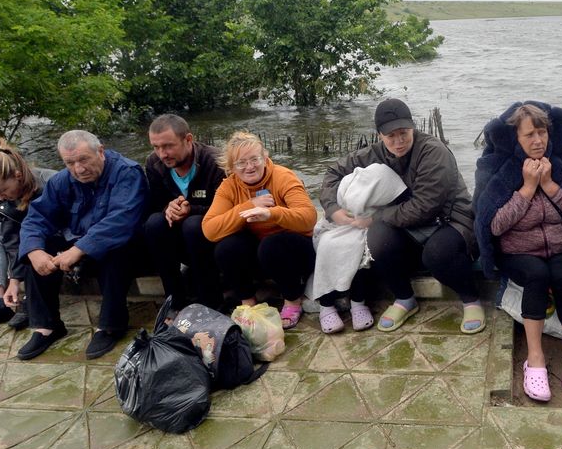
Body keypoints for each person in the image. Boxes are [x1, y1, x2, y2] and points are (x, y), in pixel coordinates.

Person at [474, 102, 562, 402]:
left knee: (561, 275)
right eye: (529, 135)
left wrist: (549, 184)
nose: (537, 141)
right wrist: (528, 188)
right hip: (517, 250)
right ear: (516, 138)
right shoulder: (497, 166)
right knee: (536, 274)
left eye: (542, 132)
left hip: (560, 245)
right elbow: (493, 224)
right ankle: (535, 358)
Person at [319, 98, 484, 334]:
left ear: (412, 127)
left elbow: (424, 207)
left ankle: (471, 299)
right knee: (378, 239)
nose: (398, 142)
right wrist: (332, 208)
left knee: (437, 254)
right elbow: (334, 171)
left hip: (450, 220)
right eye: (391, 136)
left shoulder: (434, 152)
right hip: (407, 223)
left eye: (404, 133)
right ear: (379, 135)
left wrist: (375, 217)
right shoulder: (376, 152)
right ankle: (404, 298)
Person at [17, 131, 148, 360]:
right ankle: (47, 326)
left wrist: (78, 250)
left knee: (116, 249)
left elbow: (122, 220)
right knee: (38, 248)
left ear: (101, 151)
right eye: (70, 163)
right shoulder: (61, 181)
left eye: (84, 159)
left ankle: (111, 325)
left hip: (123, 246)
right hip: (78, 243)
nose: (79, 169)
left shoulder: (127, 172)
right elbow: (37, 217)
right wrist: (34, 251)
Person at [202, 132, 316, 327]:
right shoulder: (228, 187)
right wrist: (248, 206)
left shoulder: (283, 177)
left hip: (295, 252)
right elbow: (210, 229)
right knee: (226, 247)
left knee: (271, 244)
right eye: (241, 163)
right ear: (231, 167)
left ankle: (292, 299)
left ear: (264, 156)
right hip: (260, 256)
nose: (249, 167)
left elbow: (309, 218)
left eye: (254, 159)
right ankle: (248, 302)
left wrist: (272, 214)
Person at [0, 148, 56, 332]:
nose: (0, 197)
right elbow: (11, 238)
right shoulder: (11, 194)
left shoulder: (48, 185)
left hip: (55, 237)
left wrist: (18, 279)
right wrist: (14, 280)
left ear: (18, 176)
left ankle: (30, 298)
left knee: (32, 240)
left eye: (2, 190)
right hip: (28, 234)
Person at [143, 114, 226, 310]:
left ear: (188, 139)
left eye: (168, 146)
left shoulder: (215, 162)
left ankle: (211, 303)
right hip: (179, 238)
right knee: (154, 223)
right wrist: (168, 208)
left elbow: (225, 209)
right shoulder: (154, 163)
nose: (162, 154)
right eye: (156, 147)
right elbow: (157, 203)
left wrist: (191, 210)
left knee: (193, 224)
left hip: (210, 239)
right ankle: (174, 301)